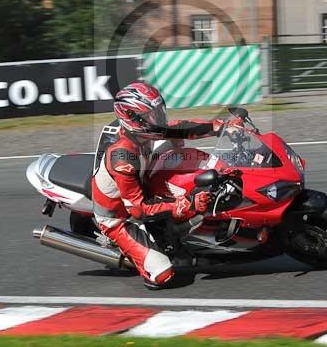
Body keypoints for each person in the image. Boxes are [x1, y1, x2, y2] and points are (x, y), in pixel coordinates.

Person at [91, 81, 240, 289]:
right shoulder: (123, 157)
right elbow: (138, 209)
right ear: (132, 118)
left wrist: (221, 127)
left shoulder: (142, 132)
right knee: (163, 275)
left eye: (159, 111)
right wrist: (185, 204)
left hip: (140, 181)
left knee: (177, 141)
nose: (159, 119)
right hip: (119, 216)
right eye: (152, 115)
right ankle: (136, 254)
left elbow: (181, 128)